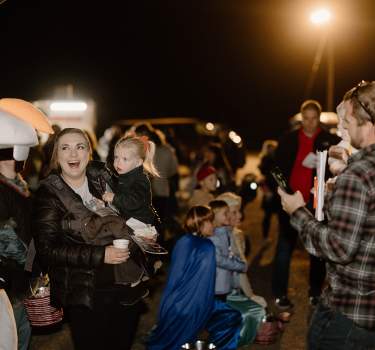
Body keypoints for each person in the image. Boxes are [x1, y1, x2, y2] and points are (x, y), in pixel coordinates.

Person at [277, 81, 375, 349]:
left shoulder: (357, 175)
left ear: (361, 118)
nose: (342, 127)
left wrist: (297, 212)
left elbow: (339, 248)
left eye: (347, 119)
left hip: (351, 310)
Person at [32, 128, 148, 350]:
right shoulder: (49, 194)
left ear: (89, 153)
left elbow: (135, 210)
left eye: (80, 147)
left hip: (125, 286)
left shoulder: (105, 179)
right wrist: (100, 254)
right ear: (56, 155)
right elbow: (47, 250)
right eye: (65, 148)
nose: (73, 154)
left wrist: (143, 234)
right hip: (84, 292)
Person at [272, 99, 340, 309]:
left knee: (316, 252)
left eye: (314, 119)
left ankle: (315, 293)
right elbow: (275, 169)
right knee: (284, 249)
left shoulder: (330, 140)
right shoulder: (288, 140)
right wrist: (284, 191)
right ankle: (280, 293)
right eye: (306, 119)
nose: (310, 124)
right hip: (291, 203)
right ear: (302, 118)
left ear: (319, 119)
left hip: (316, 203)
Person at [147, 205, 241, 350]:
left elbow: (176, 276)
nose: (213, 225)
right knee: (230, 317)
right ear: (200, 223)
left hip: (174, 302)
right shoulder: (207, 246)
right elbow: (205, 284)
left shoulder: (183, 241)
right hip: (197, 304)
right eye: (210, 221)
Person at [215, 192, 267, 345]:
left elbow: (241, 272)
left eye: (239, 211)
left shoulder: (237, 235)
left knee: (260, 306)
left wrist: (250, 295)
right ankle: (234, 340)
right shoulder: (216, 238)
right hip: (221, 295)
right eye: (234, 212)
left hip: (234, 291)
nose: (240, 216)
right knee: (255, 312)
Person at [102, 135, 159, 225]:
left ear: (138, 163)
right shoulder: (125, 175)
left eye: (125, 159)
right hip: (130, 222)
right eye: (116, 157)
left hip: (141, 226)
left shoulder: (140, 180)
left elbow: (134, 202)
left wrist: (114, 198)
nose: (118, 162)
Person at [208, 200, 247, 301]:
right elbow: (219, 260)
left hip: (226, 282)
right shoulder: (214, 237)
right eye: (225, 214)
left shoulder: (225, 232)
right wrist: (240, 265)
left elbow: (230, 253)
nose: (228, 216)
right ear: (214, 217)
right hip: (218, 284)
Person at [258, 140, 279, 241]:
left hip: (277, 190)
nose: (271, 150)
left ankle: (280, 236)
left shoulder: (277, 159)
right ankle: (265, 236)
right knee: (268, 215)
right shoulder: (265, 159)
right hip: (270, 190)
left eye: (273, 148)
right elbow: (263, 176)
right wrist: (266, 191)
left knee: (281, 215)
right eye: (269, 148)